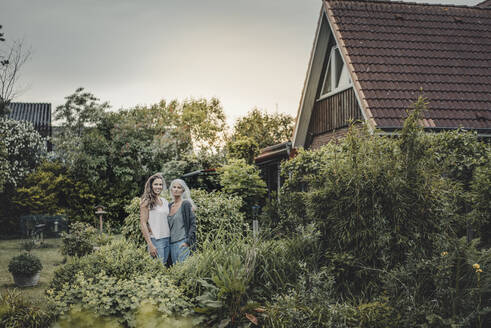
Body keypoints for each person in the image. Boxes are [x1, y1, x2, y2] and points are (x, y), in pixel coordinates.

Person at [140, 173, 170, 264]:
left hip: (168, 239)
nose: (158, 187)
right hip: (156, 240)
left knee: (165, 268)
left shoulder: (165, 201)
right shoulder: (146, 202)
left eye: (160, 184)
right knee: (158, 269)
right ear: (151, 186)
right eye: (156, 184)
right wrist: (150, 244)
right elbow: (143, 223)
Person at [168, 179, 196, 264]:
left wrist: (187, 242)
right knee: (175, 271)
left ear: (183, 190)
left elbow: (193, 224)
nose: (176, 189)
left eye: (179, 187)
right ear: (171, 189)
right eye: (174, 187)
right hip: (171, 244)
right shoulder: (169, 206)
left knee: (184, 271)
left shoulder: (185, 204)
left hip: (182, 242)